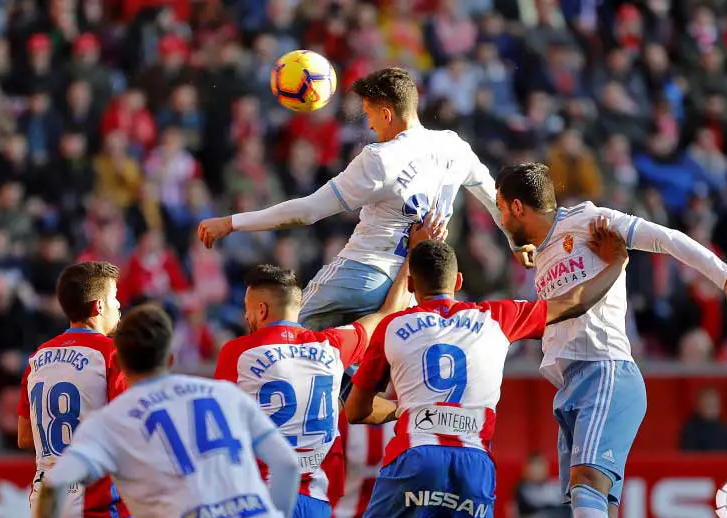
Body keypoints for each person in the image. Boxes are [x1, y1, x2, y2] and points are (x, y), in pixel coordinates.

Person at [494, 162, 727, 518]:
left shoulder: (588, 221)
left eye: (501, 211)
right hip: (571, 383)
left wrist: (726, 278)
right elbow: (520, 232)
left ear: (515, 206)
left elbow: (667, 238)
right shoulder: (540, 246)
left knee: (587, 490)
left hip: (605, 370)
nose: (499, 222)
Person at [341, 222, 630, 518]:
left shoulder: (393, 326)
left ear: (412, 286)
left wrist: (404, 409)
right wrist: (617, 264)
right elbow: (573, 302)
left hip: (414, 457)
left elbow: (356, 410)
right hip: (472, 464)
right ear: (458, 281)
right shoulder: (496, 316)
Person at [25, 304, 342, 518]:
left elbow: (53, 485)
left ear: (118, 362)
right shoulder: (224, 395)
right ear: (172, 359)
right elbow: (286, 464)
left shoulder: (109, 421)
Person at [198, 67, 522, 333]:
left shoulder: (380, 158)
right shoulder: (455, 147)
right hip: (409, 288)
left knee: (280, 337)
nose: (368, 124)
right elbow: (496, 201)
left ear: (386, 112)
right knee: (358, 378)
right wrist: (517, 243)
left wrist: (231, 222)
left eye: (370, 115)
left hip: (361, 273)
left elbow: (308, 211)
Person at [212, 217, 441, 518]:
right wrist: (414, 252)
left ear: (260, 310)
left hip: (261, 501)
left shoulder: (238, 352)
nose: (247, 319)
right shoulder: (331, 347)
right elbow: (387, 314)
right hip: (314, 507)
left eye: (248, 311)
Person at [19, 261, 148, 518]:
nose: (121, 306)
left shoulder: (37, 358)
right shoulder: (111, 353)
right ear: (99, 306)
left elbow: (24, 436)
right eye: (116, 298)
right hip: (96, 505)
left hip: (47, 510)